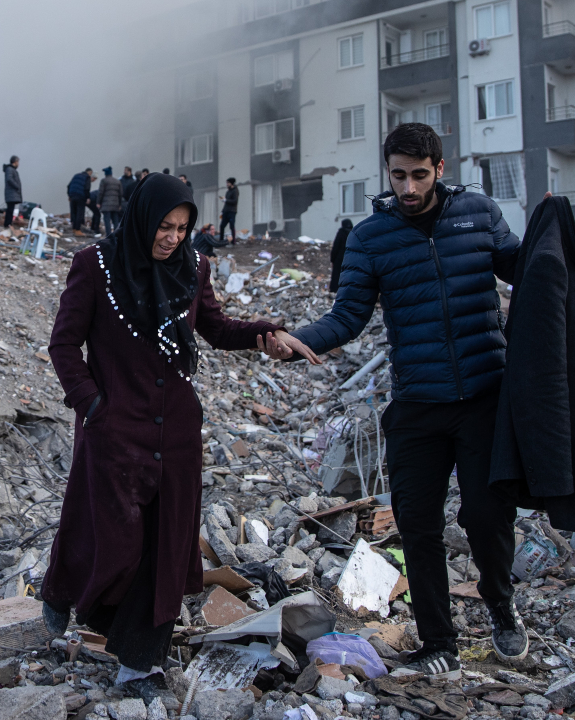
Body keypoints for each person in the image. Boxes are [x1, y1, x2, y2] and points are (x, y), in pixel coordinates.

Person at [261, 123, 525, 680]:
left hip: (484, 396)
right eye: (398, 175)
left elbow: (525, 271)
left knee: (486, 515)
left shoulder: (478, 214)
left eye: (419, 175)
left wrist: (554, 235)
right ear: (388, 171)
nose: (408, 187)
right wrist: (297, 342)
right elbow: (347, 315)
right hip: (418, 404)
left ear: (440, 169)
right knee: (418, 523)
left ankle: (501, 604)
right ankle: (439, 641)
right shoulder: (370, 237)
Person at [43, 173, 310, 699]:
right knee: (114, 537)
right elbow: (64, 345)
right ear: (143, 218)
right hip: (116, 431)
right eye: (164, 226)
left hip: (178, 434)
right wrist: (94, 406)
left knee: (163, 547)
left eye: (183, 228)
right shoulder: (95, 266)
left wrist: (264, 335)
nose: (172, 238)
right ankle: (66, 589)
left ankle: (140, 662)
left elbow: (214, 327)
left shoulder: (194, 266)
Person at [328, 219, 354, 292]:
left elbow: (336, 246)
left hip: (339, 258)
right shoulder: (353, 233)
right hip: (350, 258)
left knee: (337, 275)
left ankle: (335, 289)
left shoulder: (341, 233)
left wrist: (332, 259)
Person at [98, 167, 123, 237]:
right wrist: (119, 204)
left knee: (107, 221)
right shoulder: (117, 181)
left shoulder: (104, 181)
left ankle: (109, 236)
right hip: (115, 204)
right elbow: (120, 194)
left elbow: (100, 192)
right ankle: (116, 235)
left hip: (106, 205)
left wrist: (98, 202)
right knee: (115, 220)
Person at [67, 167, 92, 232]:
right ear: (89, 173)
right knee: (79, 213)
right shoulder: (87, 177)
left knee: (73, 212)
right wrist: (87, 198)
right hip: (80, 196)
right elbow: (87, 188)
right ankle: (78, 230)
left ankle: (74, 228)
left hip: (72, 195)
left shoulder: (76, 175)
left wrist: (69, 195)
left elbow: (69, 186)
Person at [3, 156, 22, 228]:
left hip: (12, 194)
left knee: (11, 209)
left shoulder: (11, 170)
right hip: (11, 194)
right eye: (18, 162)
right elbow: (9, 179)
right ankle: (7, 224)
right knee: (10, 210)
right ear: (15, 162)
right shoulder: (10, 169)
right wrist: (16, 186)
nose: (18, 164)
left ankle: (8, 223)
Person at [218, 178, 238, 244]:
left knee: (232, 226)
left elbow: (235, 201)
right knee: (222, 225)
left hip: (232, 211)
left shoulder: (235, 191)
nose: (227, 184)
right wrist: (222, 211)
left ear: (231, 183)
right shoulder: (228, 192)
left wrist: (226, 200)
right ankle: (221, 240)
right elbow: (226, 204)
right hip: (226, 211)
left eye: (228, 183)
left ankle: (233, 241)